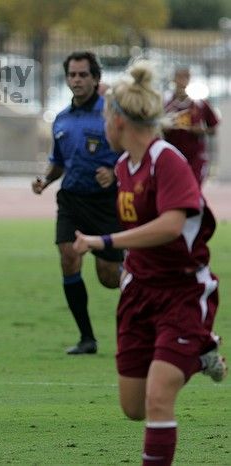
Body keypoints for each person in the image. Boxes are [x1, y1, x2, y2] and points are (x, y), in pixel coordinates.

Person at [73, 61, 227, 466]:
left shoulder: (167, 160)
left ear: (120, 121)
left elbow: (171, 226)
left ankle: (194, 344)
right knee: (134, 407)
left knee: (159, 400)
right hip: (138, 293)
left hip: (181, 292)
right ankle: (202, 350)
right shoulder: (124, 167)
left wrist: (105, 241)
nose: (103, 123)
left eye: (106, 115)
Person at [31, 51, 123, 355]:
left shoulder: (113, 114)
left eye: (83, 75)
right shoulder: (62, 119)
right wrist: (45, 180)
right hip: (71, 198)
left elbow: (135, 153)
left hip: (106, 203)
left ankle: (147, 314)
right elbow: (59, 161)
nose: (77, 80)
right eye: (72, 75)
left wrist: (114, 172)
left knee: (110, 278)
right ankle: (87, 338)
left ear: (96, 79)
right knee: (68, 255)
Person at [162, 66, 220, 186]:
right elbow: (153, 127)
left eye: (186, 76)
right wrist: (164, 128)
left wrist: (202, 130)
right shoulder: (165, 103)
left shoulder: (199, 103)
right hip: (171, 157)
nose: (183, 80)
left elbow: (213, 129)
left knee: (194, 190)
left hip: (195, 158)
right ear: (173, 79)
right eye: (179, 76)